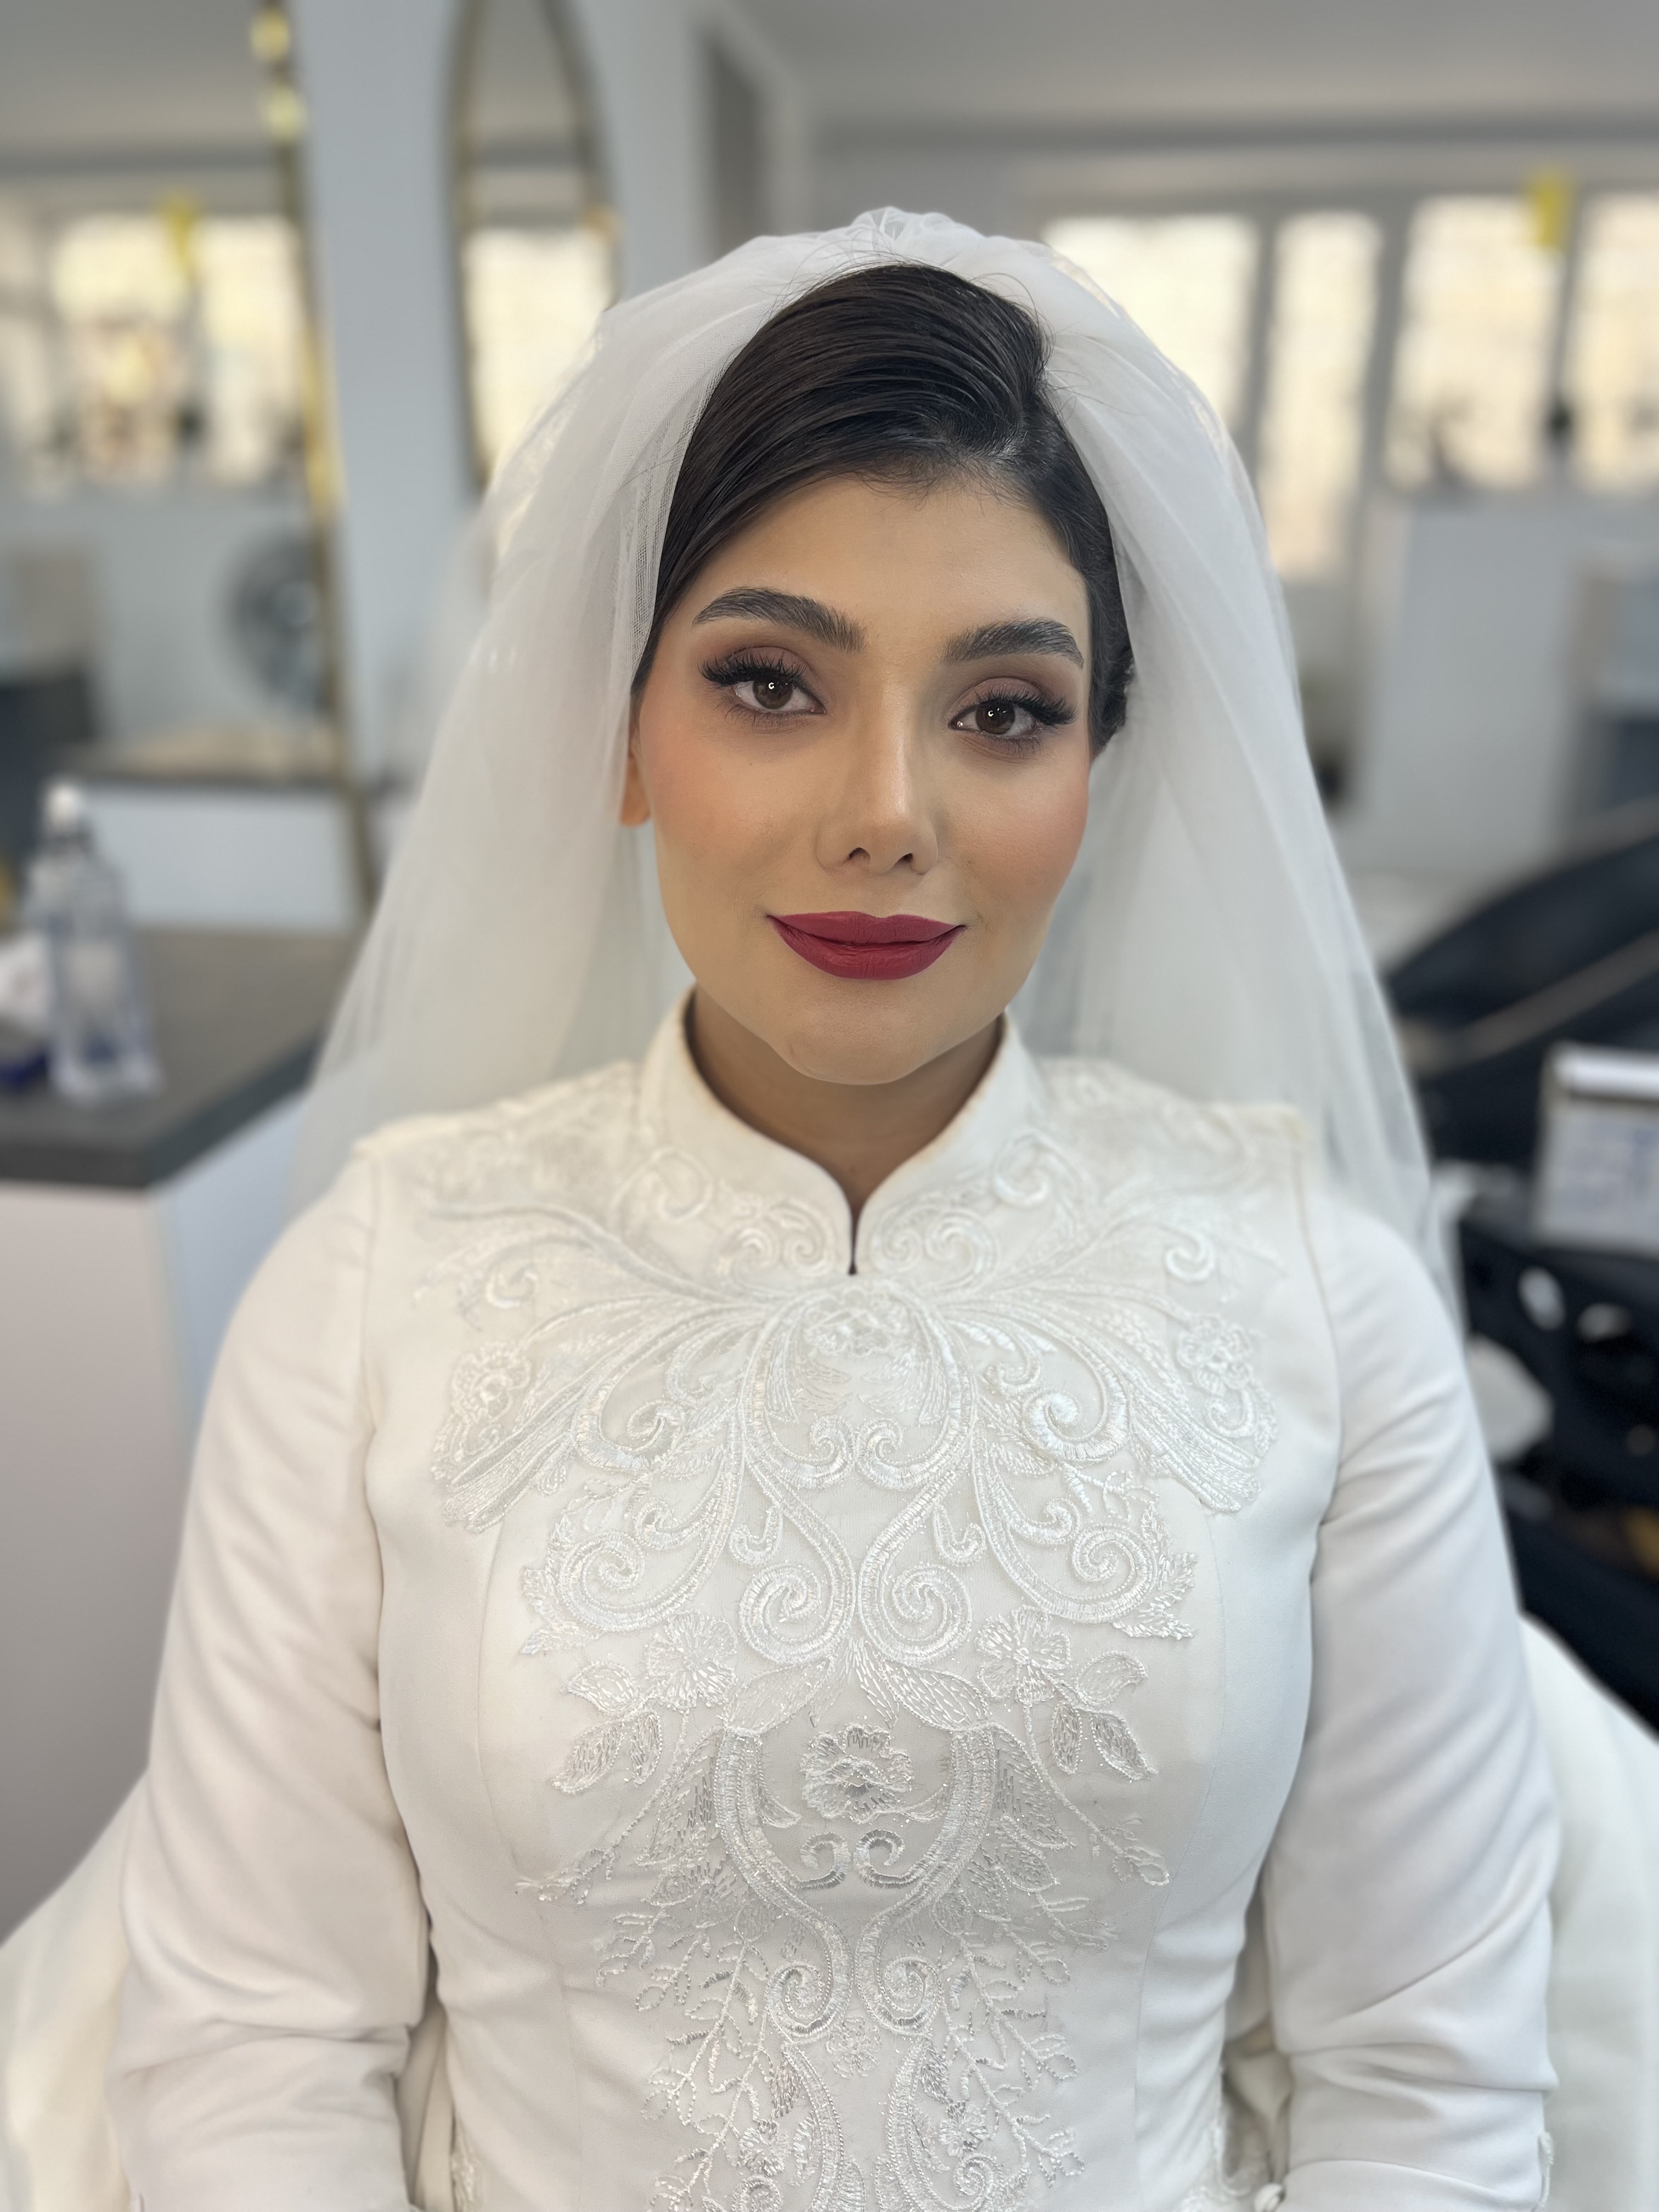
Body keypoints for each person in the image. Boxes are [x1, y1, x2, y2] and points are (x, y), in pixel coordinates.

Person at [105, 212, 1555, 2212]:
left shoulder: (1319, 1295)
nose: (887, 811)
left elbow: (1427, 2074)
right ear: (622, 730)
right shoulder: (377, 1286)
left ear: (1104, 763)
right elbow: (257, 2045)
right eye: (770, 682)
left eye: (1006, 708)